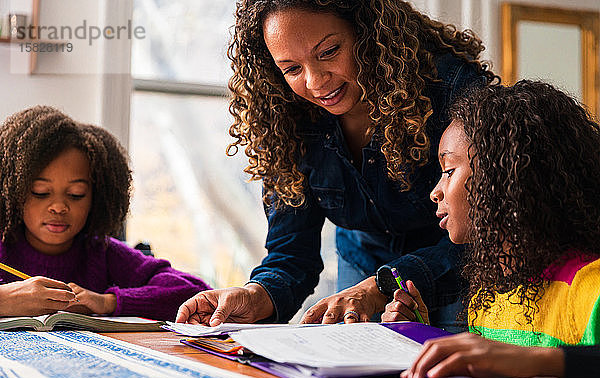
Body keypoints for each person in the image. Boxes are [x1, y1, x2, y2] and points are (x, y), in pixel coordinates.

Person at [177, 0, 497, 329]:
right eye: (291, 69)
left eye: (328, 51)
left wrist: (383, 286)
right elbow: (291, 255)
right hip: (363, 263)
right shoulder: (286, 121)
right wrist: (255, 295)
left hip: (459, 265)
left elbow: (492, 227)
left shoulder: (450, 86)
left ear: (367, 31)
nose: (315, 82)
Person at [381, 81, 600, 378]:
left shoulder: (590, 286)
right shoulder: (488, 291)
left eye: (449, 170)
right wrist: (424, 338)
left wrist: (534, 361)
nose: (435, 192)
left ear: (505, 176)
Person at [0, 106, 211, 321]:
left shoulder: (102, 253)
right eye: (41, 192)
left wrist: (107, 301)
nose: (58, 207)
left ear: (98, 197)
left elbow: (199, 294)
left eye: (76, 194)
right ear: (12, 191)